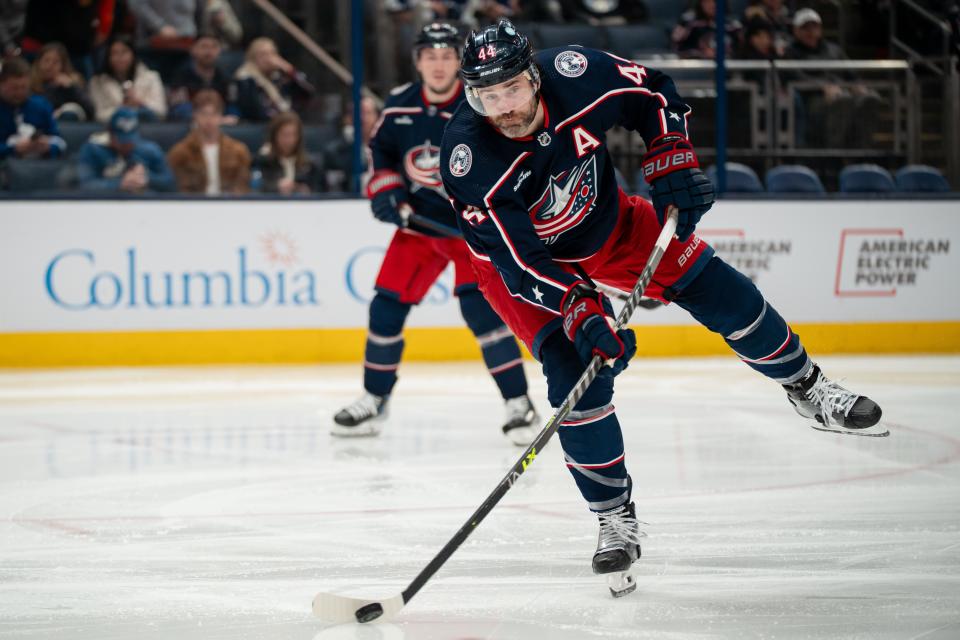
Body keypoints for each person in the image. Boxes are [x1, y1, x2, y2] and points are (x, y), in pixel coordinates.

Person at [439, 19, 884, 590]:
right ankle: (613, 517)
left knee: (722, 291)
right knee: (577, 379)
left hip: (611, 224)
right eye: (488, 95)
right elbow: (518, 261)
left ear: (534, 77)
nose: (503, 106)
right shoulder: (469, 158)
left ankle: (810, 388)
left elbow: (653, 90)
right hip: (527, 272)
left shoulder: (575, 73)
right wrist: (579, 307)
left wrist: (670, 149)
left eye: (513, 88)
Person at [332, 22, 540, 446]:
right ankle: (374, 397)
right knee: (385, 310)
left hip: (472, 231)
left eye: (448, 56)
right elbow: (383, 152)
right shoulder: (398, 106)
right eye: (431, 56)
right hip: (419, 229)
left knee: (482, 314)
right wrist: (386, 189)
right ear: (417, 61)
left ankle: (518, 402)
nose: (439, 65)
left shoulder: (482, 104)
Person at [784, 8, 880, 148]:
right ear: (796, 31)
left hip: (842, 91)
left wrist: (857, 86)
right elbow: (795, 76)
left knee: (870, 98)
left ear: (820, 29)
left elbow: (850, 73)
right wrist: (822, 87)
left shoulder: (834, 49)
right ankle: (834, 152)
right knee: (842, 100)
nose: (810, 31)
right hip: (811, 97)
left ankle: (863, 151)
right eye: (805, 28)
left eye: (814, 26)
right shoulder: (791, 52)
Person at [167, 89, 250, 194]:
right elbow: (179, 189)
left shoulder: (238, 151)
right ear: (195, 115)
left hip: (230, 205)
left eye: (214, 114)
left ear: (221, 116)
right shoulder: (180, 153)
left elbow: (242, 187)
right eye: (203, 114)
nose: (209, 119)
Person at [76, 105, 174, 192]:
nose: (127, 145)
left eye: (130, 140)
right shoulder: (93, 149)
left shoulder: (150, 150)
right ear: (110, 133)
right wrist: (119, 184)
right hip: (106, 206)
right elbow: (85, 185)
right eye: (122, 141)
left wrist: (147, 178)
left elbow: (170, 183)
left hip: (145, 206)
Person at [233, 37, 314, 122]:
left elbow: (307, 93)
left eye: (272, 53)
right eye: (263, 54)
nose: (269, 59)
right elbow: (256, 112)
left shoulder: (280, 78)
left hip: (284, 125)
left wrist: (290, 71)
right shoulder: (245, 79)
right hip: (258, 127)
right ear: (253, 58)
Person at [88, 36, 167, 123]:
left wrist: (139, 103)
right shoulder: (97, 82)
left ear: (133, 54)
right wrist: (123, 108)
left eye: (124, 52)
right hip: (112, 129)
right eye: (114, 53)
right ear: (107, 57)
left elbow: (161, 111)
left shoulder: (152, 77)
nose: (119, 57)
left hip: (146, 127)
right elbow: (99, 115)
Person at [0, 56, 66, 160]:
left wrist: (48, 146)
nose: (19, 93)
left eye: (24, 87)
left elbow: (60, 142)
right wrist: (13, 148)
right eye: (14, 88)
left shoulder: (40, 105)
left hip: (39, 165)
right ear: (2, 84)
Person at [167, 33, 239, 122]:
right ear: (193, 50)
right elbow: (177, 108)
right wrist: (204, 118)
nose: (209, 52)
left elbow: (232, 106)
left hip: (221, 123)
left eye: (214, 47)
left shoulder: (226, 78)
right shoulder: (181, 77)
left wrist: (231, 117)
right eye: (204, 47)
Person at [252, 111, 322, 194]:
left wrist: (307, 191)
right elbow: (256, 188)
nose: (289, 140)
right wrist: (276, 187)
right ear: (274, 136)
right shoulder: (262, 161)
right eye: (284, 135)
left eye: (293, 135)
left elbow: (321, 190)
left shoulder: (310, 165)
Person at [322, 96, 379, 192]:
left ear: (377, 117)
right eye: (358, 113)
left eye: (368, 113)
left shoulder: (389, 149)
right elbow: (329, 188)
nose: (363, 118)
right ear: (349, 118)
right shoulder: (334, 152)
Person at [30, 42, 95, 121]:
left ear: (63, 66)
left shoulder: (73, 82)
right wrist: (52, 87)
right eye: (46, 60)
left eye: (55, 62)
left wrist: (71, 88)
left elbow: (90, 110)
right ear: (38, 63)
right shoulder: (30, 83)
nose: (50, 65)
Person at [672, 0, 742, 59]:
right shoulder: (688, 22)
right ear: (701, 3)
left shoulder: (733, 25)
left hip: (729, 68)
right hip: (698, 68)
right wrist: (701, 54)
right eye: (708, 1)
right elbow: (677, 48)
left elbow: (742, 51)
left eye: (716, 1)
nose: (712, 5)